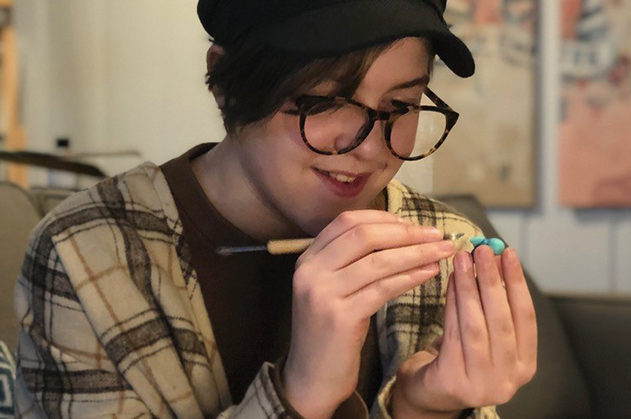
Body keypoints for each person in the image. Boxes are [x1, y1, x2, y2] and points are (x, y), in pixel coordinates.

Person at [13, 0, 538, 418]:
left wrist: (423, 408)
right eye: (325, 99)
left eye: (400, 107)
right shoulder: (87, 256)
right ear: (224, 81)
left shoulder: (440, 248)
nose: (369, 148)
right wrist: (300, 393)